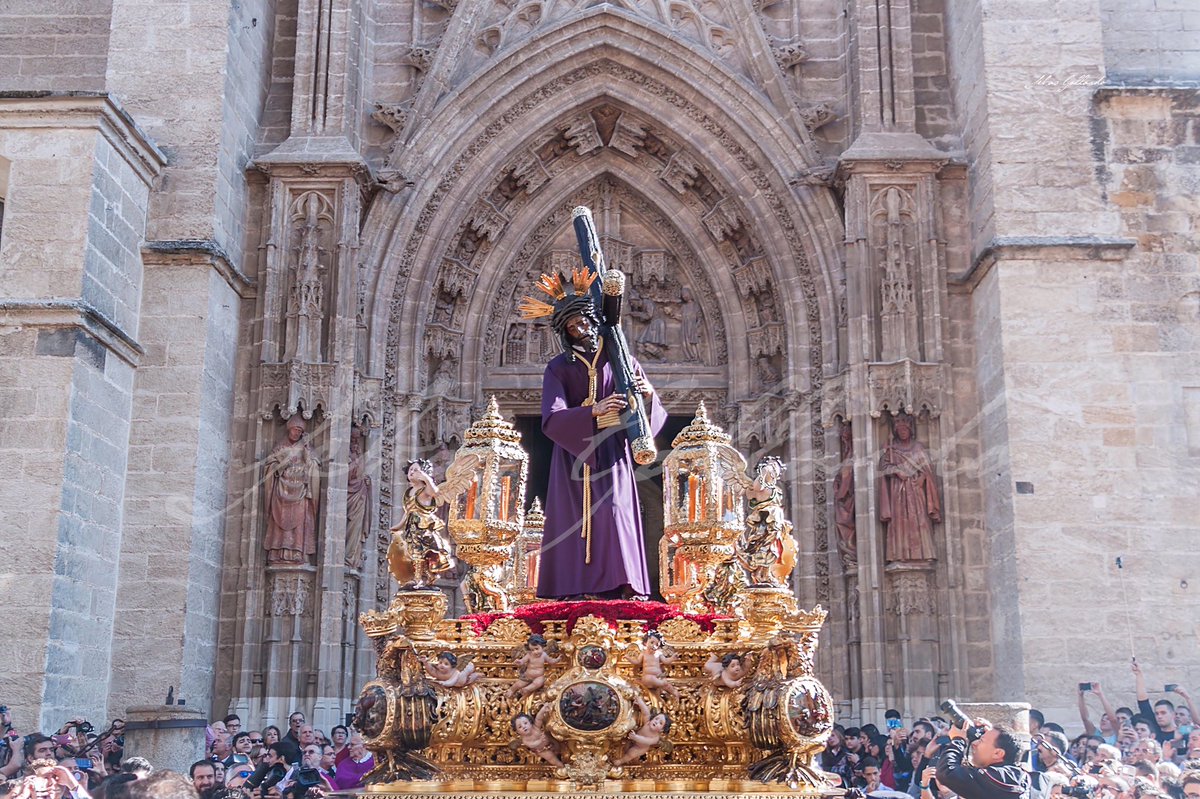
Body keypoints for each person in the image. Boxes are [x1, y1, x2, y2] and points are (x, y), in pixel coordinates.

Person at [521, 270, 666, 599]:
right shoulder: (558, 368)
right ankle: (575, 590)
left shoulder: (621, 359)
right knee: (576, 520)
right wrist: (592, 413)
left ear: (593, 320)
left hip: (612, 454)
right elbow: (552, 417)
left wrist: (646, 395)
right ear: (565, 333)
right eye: (572, 328)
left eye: (583, 323)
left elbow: (645, 419)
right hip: (574, 457)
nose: (580, 331)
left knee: (614, 511)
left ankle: (621, 586)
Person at [878, 412, 941, 563]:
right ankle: (899, 555)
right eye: (899, 431)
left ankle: (924, 554)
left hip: (915, 489)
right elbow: (883, 468)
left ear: (910, 430)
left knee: (919, 520)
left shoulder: (918, 447)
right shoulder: (892, 450)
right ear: (896, 432)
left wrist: (922, 478)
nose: (903, 432)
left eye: (905, 430)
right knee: (900, 522)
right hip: (898, 491)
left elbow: (928, 469)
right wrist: (896, 470)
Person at [262, 415, 321, 566]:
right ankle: (277, 553)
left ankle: (297, 553)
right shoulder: (280, 447)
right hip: (282, 491)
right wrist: (282, 465)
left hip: (300, 491)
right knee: (279, 521)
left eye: (300, 431)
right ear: (289, 429)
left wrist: (307, 455)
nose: (297, 433)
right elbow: (270, 465)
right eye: (295, 429)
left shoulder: (306, 447)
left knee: (301, 521)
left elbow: (314, 465)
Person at [935, 717, 1027, 799]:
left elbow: (946, 772)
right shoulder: (1016, 776)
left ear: (998, 753)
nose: (975, 744)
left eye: (981, 741)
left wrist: (958, 740)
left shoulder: (997, 779)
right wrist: (989, 736)